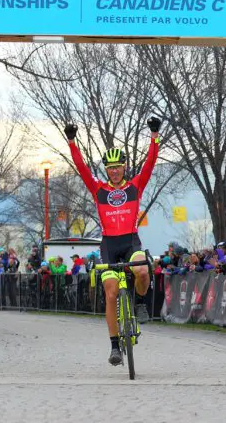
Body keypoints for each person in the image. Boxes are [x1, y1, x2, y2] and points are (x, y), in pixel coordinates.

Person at [64, 115, 161, 366]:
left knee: (141, 270)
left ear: (124, 167)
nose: (115, 170)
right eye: (110, 167)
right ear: (106, 169)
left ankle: (140, 304)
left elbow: (150, 164)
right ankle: (115, 346)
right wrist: (72, 141)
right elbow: (82, 168)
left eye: (118, 166)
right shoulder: (99, 190)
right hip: (109, 245)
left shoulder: (135, 186)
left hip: (130, 241)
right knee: (110, 292)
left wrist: (154, 136)